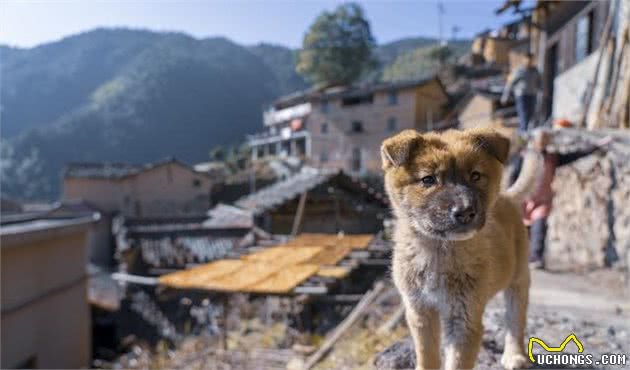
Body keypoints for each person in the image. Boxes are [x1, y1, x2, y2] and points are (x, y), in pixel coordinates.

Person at [524, 121, 613, 269]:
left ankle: (536, 257)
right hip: (525, 200)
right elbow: (514, 177)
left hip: (543, 199)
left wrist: (598, 145)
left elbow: (575, 155)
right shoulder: (525, 157)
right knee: (521, 232)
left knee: (539, 227)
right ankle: (519, 258)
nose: (543, 142)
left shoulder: (552, 158)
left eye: (545, 139)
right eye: (540, 139)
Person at [501, 53, 542, 133]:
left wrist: (542, 90)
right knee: (524, 115)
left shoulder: (535, 71)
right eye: (527, 59)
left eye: (531, 60)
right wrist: (505, 96)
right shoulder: (519, 71)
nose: (529, 61)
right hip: (522, 96)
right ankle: (522, 134)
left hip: (532, 95)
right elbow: (510, 83)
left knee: (531, 115)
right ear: (524, 60)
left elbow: (539, 83)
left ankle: (527, 133)